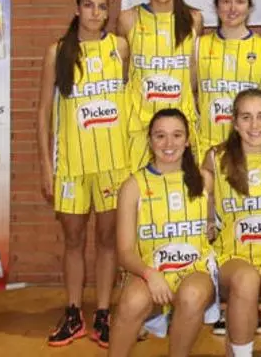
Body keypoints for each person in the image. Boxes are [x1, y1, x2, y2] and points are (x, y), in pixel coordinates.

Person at [37, 0, 129, 348]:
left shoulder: (119, 48)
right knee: (73, 240)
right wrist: (46, 166)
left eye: (102, 6)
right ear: (77, 8)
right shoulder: (58, 51)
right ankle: (73, 312)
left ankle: (103, 313)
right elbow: (44, 113)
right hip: (71, 165)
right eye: (89, 5)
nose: (95, 12)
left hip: (112, 163)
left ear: (108, 13)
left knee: (107, 240)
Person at [109, 109, 216, 357]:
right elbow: (124, 252)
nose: (169, 144)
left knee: (192, 295)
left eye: (177, 135)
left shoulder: (205, 180)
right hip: (149, 269)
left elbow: (218, 220)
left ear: (187, 140)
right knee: (133, 301)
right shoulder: (133, 186)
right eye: (160, 136)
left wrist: (212, 225)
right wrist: (150, 275)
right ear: (150, 140)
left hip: (195, 268)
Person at [203, 89, 261, 357]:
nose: (254, 125)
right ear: (234, 122)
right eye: (246, 117)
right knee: (246, 279)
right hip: (232, 254)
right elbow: (202, 202)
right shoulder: (215, 157)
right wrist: (207, 223)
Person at [117, 0, 203, 172]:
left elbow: (193, 71)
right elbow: (122, 72)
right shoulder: (128, 19)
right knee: (139, 190)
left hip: (181, 123)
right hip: (139, 124)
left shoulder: (193, 19)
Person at [195, 0, 261, 161]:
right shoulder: (198, 46)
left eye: (240, 2)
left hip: (253, 148)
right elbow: (189, 96)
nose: (232, 8)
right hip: (207, 147)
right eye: (226, 1)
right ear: (216, 6)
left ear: (249, 8)